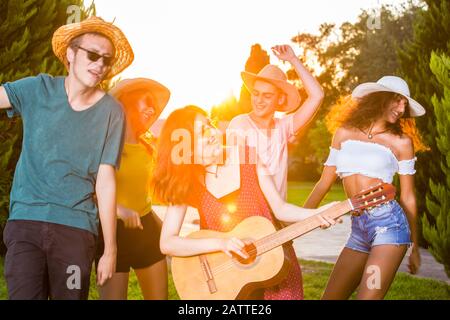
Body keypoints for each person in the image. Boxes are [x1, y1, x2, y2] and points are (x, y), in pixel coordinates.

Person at [0, 16, 134, 300]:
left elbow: (106, 182)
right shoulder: (38, 89)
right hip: (26, 222)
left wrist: (110, 249)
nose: (99, 65)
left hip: (76, 231)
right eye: (93, 55)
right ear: (71, 54)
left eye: (106, 60)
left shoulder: (112, 112)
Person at [152, 105, 338, 300]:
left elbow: (281, 209)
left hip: (274, 265)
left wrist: (318, 214)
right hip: (229, 281)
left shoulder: (246, 156)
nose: (212, 133)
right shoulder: (189, 180)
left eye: (210, 125)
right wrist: (221, 243)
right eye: (201, 132)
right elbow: (167, 243)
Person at [304, 76, 428, 300]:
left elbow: (408, 197)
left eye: (404, 105)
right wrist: (301, 220)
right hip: (359, 228)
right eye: (397, 101)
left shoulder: (402, 143)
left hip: (389, 227)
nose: (401, 109)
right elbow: (324, 182)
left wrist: (415, 246)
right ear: (380, 98)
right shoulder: (343, 133)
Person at [97, 78, 170, 300]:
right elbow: (86, 189)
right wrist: (119, 209)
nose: (152, 109)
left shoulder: (149, 148)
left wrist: (167, 232)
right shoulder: (103, 143)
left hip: (146, 232)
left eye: (154, 106)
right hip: (111, 234)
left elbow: (146, 199)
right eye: (146, 102)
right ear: (126, 102)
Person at [227, 44, 324, 199]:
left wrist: (293, 60)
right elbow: (233, 174)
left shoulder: (283, 127)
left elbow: (317, 95)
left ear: (280, 99)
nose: (259, 100)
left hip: (277, 218)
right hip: (250, 216)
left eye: (267, 96)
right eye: (256, 94)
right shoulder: (240, 124)